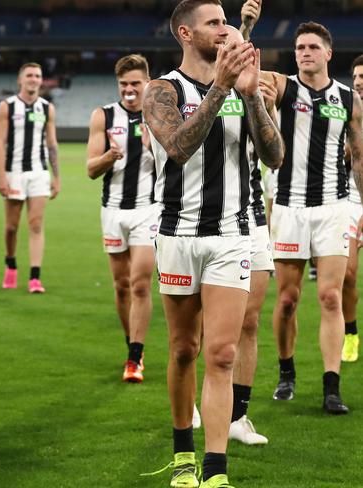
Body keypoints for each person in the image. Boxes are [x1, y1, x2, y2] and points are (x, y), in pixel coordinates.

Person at [142, 1, 283, 486]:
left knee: (221, 354)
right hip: (178, 234)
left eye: (226, 21)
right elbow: (178, 148)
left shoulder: (243, 87)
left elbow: (275, 156)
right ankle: (183, 456)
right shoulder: (161, 90)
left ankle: (215, 470)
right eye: (214, 23)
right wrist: (221, 87)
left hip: (231, 236)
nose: (225, 30)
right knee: (184, 349)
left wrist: (251, 98)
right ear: (186, 33)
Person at [250, 19, 363, 414]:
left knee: (331, 296)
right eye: (299, 48)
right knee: (287, 301)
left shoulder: (349, 99)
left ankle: (332, 386)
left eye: (312, 47)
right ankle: (286, 371)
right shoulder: (283, 86)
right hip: (289, 207)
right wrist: (246, 30)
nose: (305, 53)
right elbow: (243, 68)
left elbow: (360, 156)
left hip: (334, 207)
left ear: (328, 53)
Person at [86, 54, 157, 383]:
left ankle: (134, 357)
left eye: (135, 83)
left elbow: (179, 161)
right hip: (113, 210)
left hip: (148, 210)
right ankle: (133, 344)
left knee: (141, 284)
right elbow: (90, 169)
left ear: (147, 83)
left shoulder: (158, 115)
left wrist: (153, 146)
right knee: (121, 285)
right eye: (124, 84)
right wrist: (109, 156)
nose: (130, 89)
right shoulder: (103, 115)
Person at [221, 16, 273, 446]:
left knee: (249, 322)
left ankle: (239, 416)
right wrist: (243, 25)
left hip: (253, 218)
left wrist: (257, 96)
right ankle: (206, 399)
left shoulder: (256, 95)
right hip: (209, 223)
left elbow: (274, 152)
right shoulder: (198, 90)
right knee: (208, 326)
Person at [0, 63, 60, 293]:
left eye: (38, 76)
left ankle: (35, 277)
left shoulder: (47, 108)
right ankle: (11, 263)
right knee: (12, 227)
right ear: (20, 80)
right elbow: (0, 143)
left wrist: (56, 176)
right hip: (14, 173)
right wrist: (1, 176)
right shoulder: (7, 107)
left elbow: (51, 144)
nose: (34, 79)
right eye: (29, 75)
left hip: (38, 172)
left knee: (35, 224)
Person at [341, 53, 363, 362]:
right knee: (347, 274)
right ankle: (350, 333)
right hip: (351, 199)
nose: (358, 82)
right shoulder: (345, 111)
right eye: (356, 78)